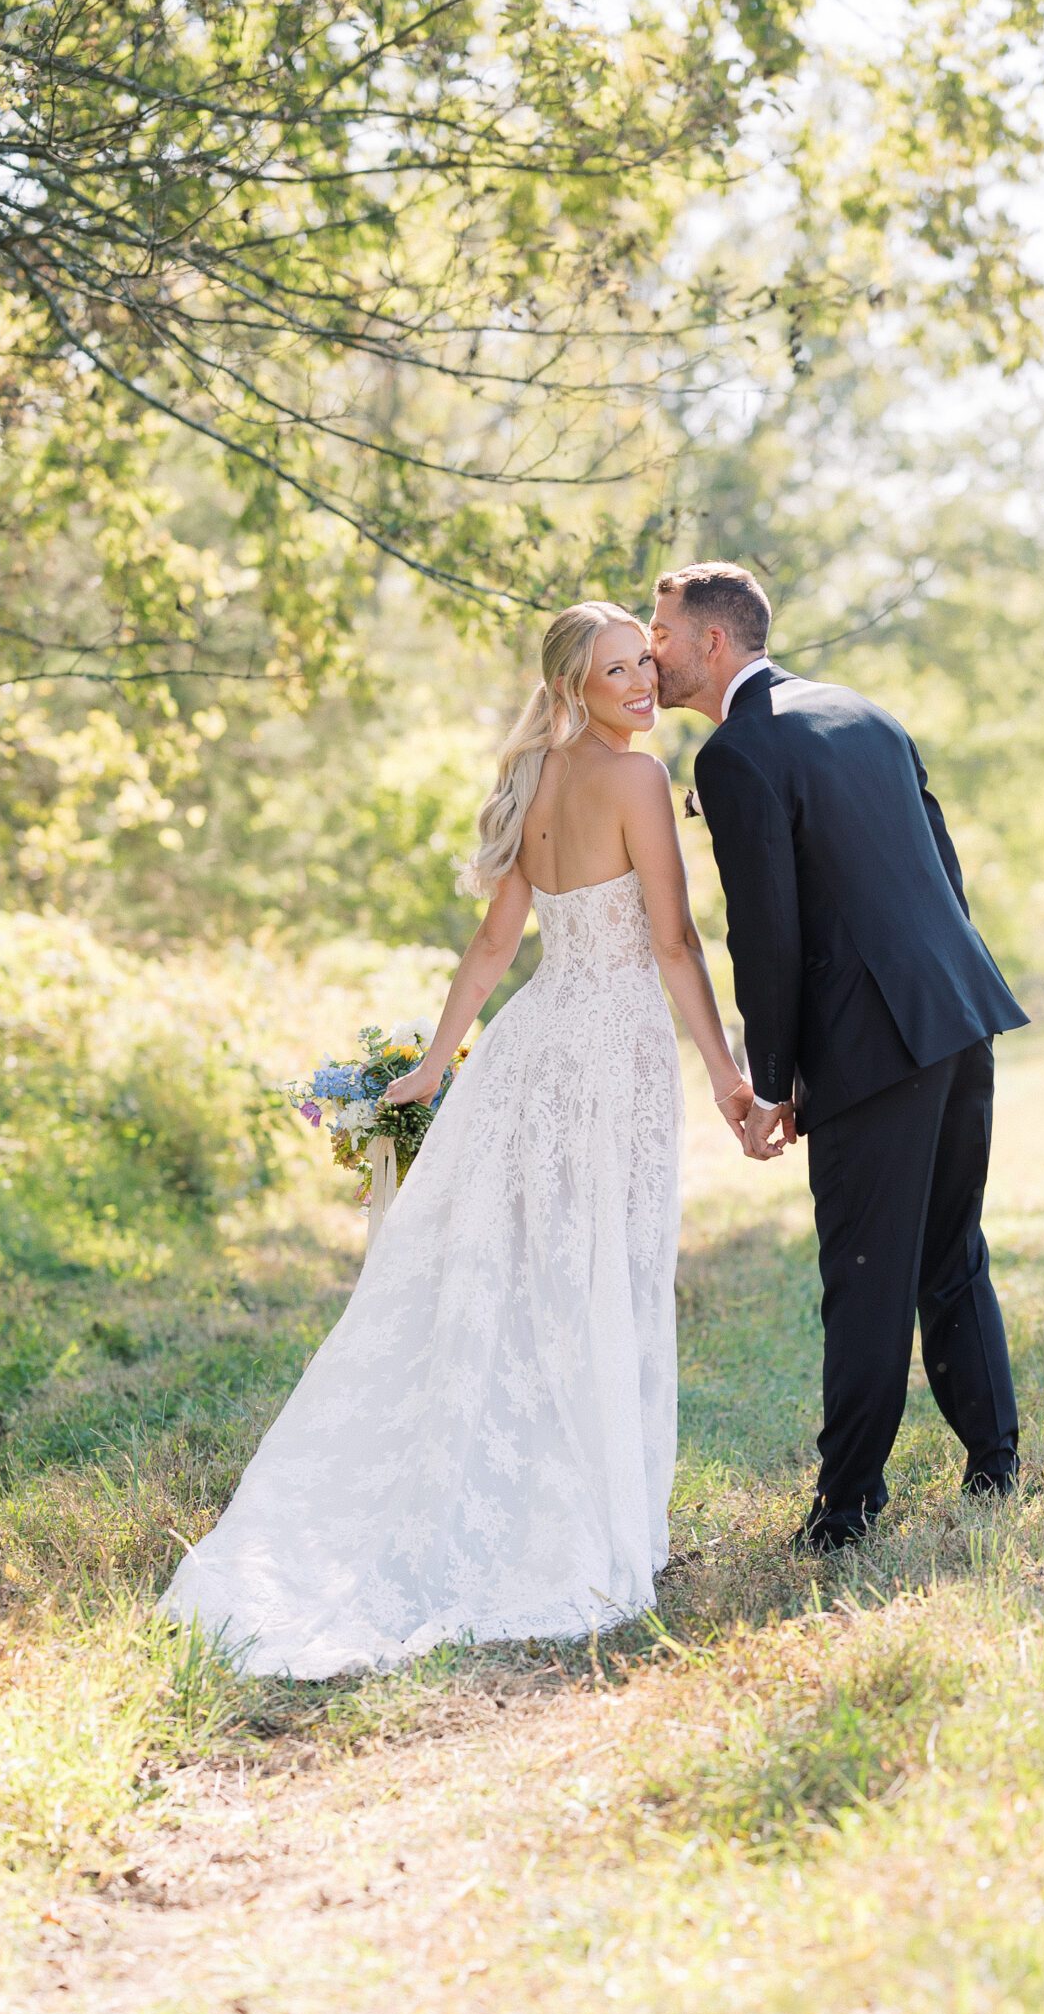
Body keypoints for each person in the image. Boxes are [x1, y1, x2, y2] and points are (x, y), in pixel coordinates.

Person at [160, 603, 751, 1676]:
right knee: (597, 1272)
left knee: (531, 1274)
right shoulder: (633, 780)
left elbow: (492, 947)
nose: (639, 685)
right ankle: (583, 1522)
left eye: (640, 665)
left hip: (533, 1045)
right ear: (574, 685)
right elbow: (669, 940)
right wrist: (726, 1071)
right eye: (614, 672)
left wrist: (437, 1064)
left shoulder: (536, 777)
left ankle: (549, 1492)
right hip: (607, 1051)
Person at [651, 560, 1028, 1551]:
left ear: (712, 643)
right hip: (958, 1010)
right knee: (950, 1253)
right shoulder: (864, 713)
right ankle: (996, 1466)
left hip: (875, 1044)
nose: (652, 649)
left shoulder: (736, 756)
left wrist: (768, 1081)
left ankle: (847, 1507)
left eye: (662, 630)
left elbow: (765, 935)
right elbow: (941, 869)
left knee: (864, 1270)